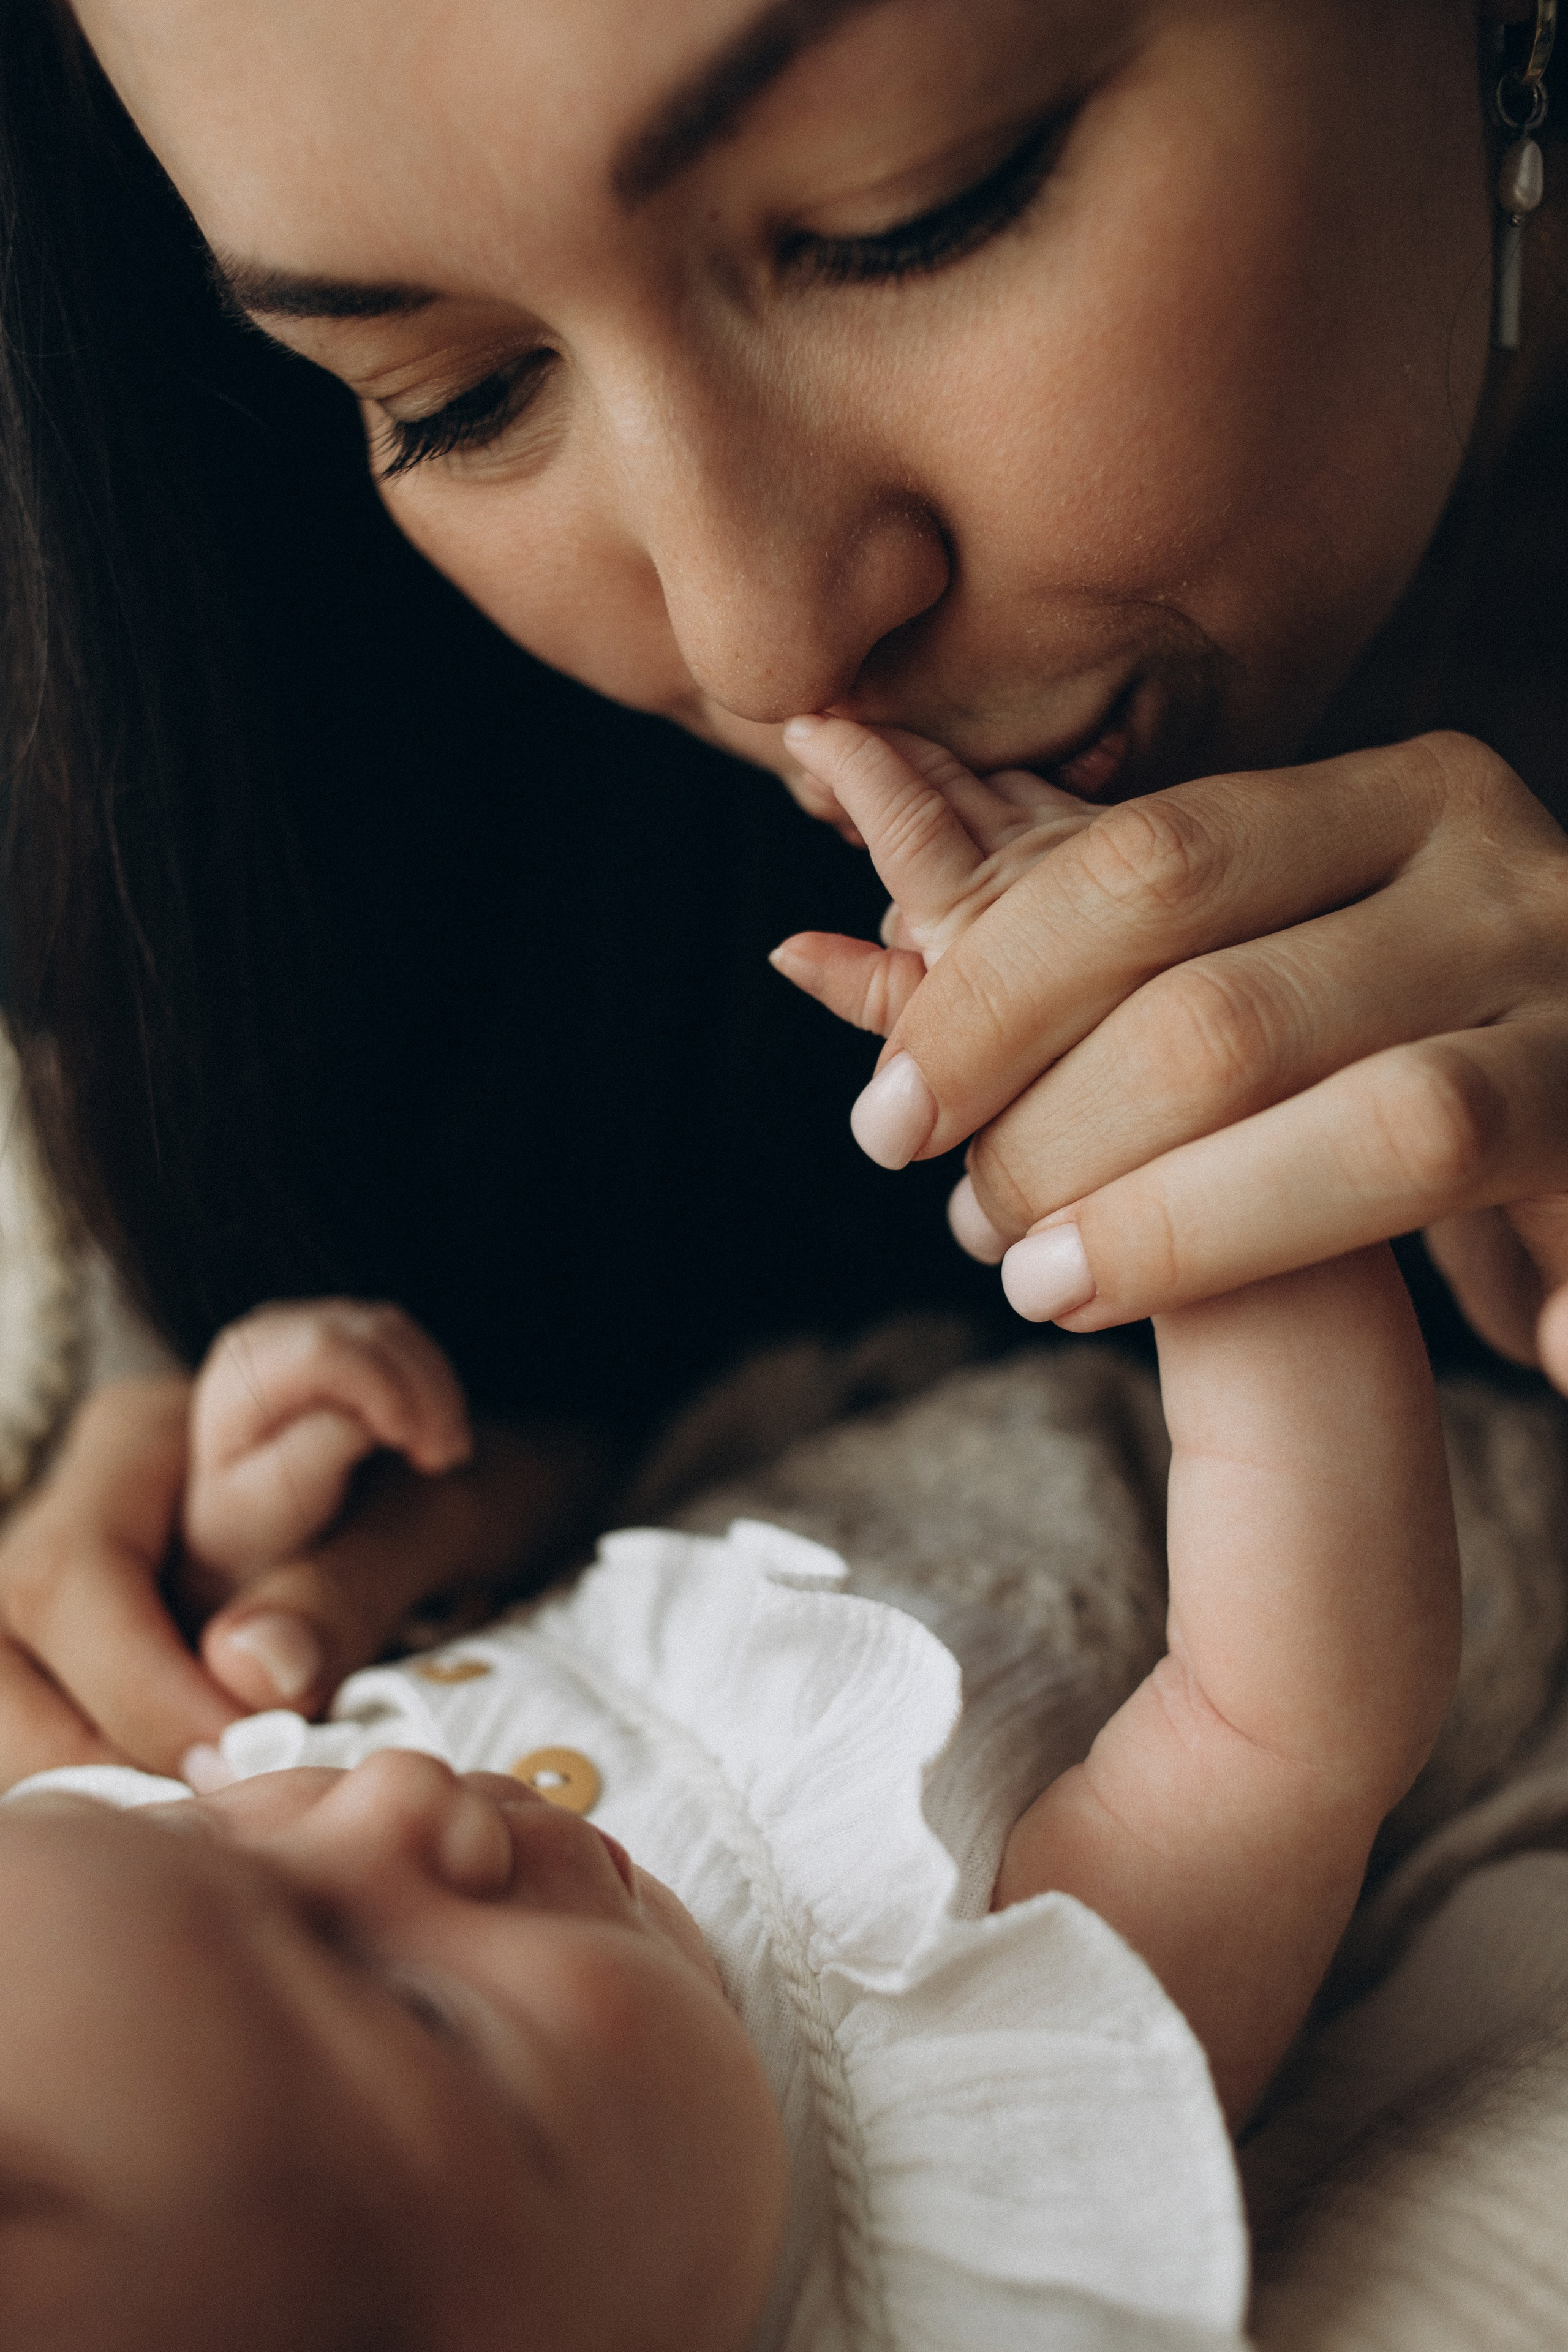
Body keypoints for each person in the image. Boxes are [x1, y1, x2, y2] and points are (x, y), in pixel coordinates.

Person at [0, 0, 1564, 1775]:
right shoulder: (339, 725)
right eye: (458, 400)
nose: (757, 640)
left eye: (911, 215)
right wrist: (297, 1464)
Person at [0, 1150, 1458, 2346]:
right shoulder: (957, 2132)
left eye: (197, 1833)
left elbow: (339, 1642)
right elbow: (1280, 1725)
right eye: (419, 2014)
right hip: (1355, 1455)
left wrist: (252, 1524)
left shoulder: (212, 1929)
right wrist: (1220, 1197)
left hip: (813, 1388)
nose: (389, 1796)